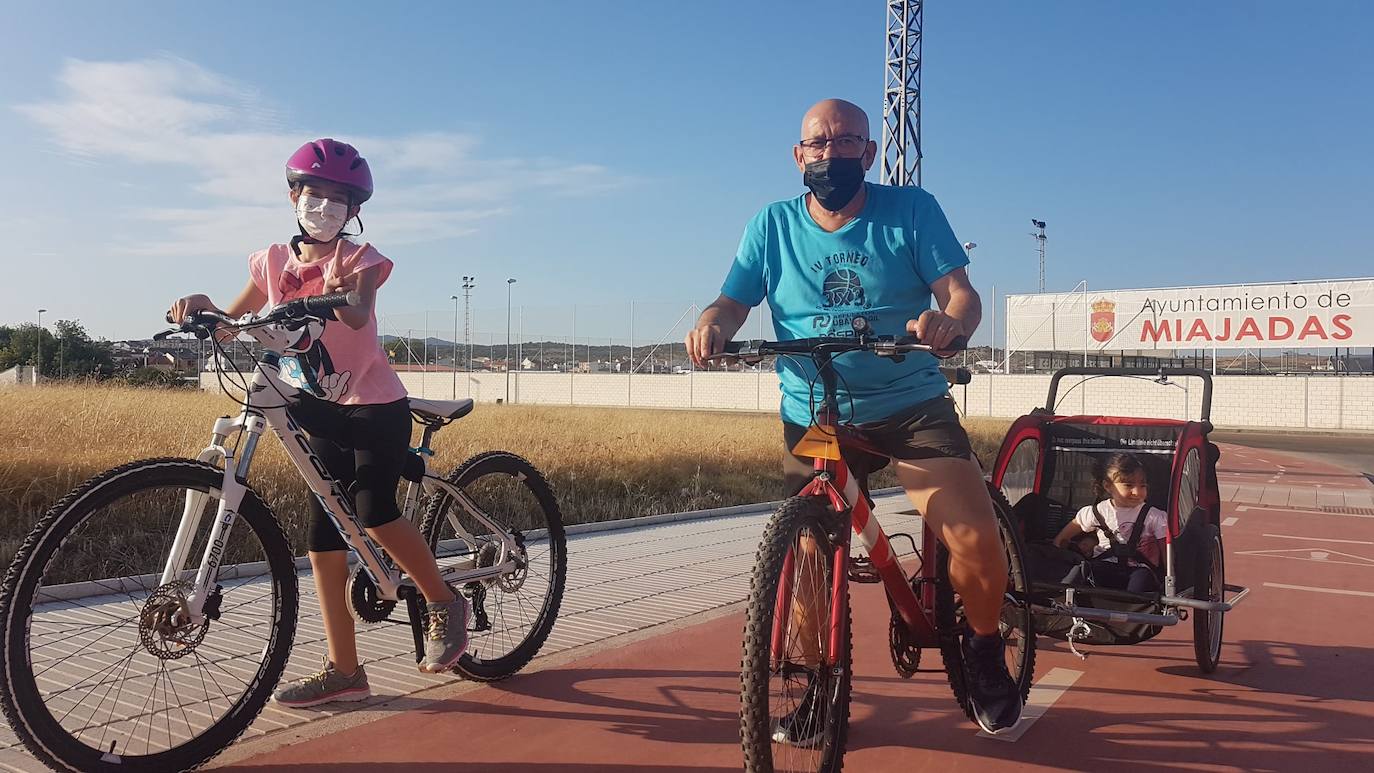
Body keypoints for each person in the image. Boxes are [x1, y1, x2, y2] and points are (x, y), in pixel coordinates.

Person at [685, 99, 1022, 736]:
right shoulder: (771, 224)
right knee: (809, 548)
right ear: (798, 155)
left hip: (909, 401)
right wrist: (712, 326)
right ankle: (816, 682)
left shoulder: (912, 211)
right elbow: (732, 303)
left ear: (869, 153)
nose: (830, 154)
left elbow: (961, 293)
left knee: (974, 539)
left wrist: (950, 322)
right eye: (817, 143)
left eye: (846, 143)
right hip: (816, 409)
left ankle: (982, 646)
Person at [167, 139, 469, 708]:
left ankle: (443, 600)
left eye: (340, 199)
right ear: (292, 195)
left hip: (374, 406)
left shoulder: (360, 261)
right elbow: (235, 321)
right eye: (315, 193)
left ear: (354, 210)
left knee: (374, 511)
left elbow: (358, 309)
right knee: (322, 539)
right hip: (316, 406)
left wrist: (333, 299)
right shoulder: (272, 261)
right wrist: (204, 308)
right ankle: (345, 670)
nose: (325, 207)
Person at [1053, 452, 1166, 593]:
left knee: (1141, 581)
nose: (1137, 492)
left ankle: (1131, 609)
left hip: (1140, 570)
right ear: (1108, 486)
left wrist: (1169, 581)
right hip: (1104, 567)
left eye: (1142, 485)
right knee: (1081, 570)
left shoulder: (1155, 516)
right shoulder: (1096, 512)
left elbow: (1167, 553)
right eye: (1128, 485)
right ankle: (1060, 599)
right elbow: (1061, 539)